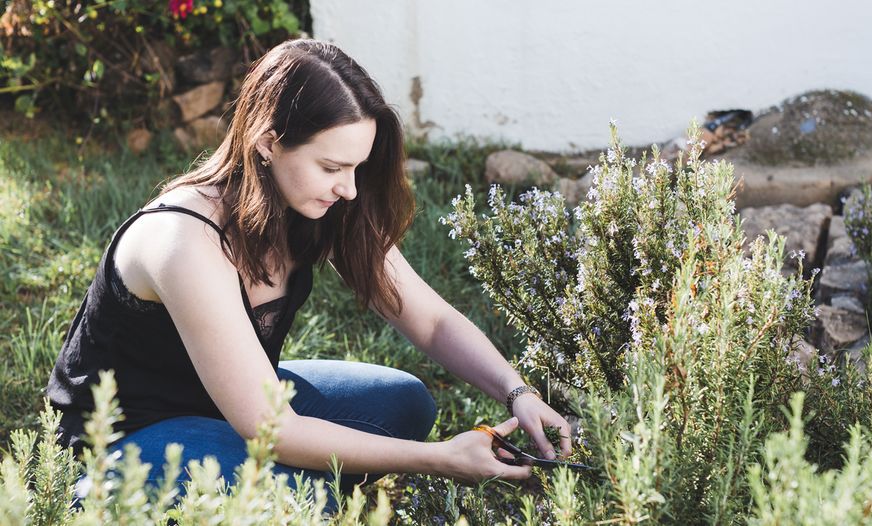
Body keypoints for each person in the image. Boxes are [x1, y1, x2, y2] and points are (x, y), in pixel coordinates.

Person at [45, 38, 572, 501]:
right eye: (332, 167)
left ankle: (279, 482)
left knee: (405, 403)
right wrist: (441, 459)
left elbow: (428, 319)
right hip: (125, 440)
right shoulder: (185, 239)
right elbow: (270, 429)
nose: (349, 188)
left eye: (358, 167)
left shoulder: (321, 206)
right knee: (301, 495)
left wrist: (516, 390)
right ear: (268, 143)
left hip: (231, 405)